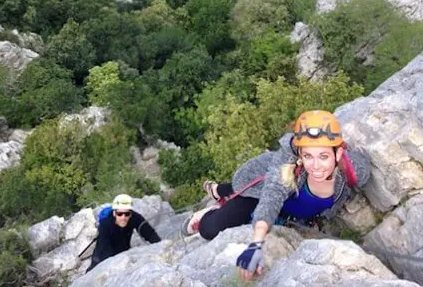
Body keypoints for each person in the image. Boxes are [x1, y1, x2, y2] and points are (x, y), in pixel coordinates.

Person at [183, 110, 371, 282]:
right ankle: (213, 206)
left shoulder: (354, 171)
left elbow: (361, 173)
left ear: (338, 153)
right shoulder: (287, 165)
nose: (315, 166)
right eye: (308, 156)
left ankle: (218, 190)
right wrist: (255, 245)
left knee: (232, 190)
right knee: (210, 228)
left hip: (292, 214)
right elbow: (271, 197)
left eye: (323, 156)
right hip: (257, 193)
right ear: (299, 153)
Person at [87, 193, 161, 271]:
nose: (123, 217)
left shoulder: (135, 218)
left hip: (123, 252)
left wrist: (161, 246)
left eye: (127, 214)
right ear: (114, 213)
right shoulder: (105, 225)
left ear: (130, 213)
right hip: (102, 256)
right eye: (119, 214)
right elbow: (104, 250)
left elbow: (149, 233)